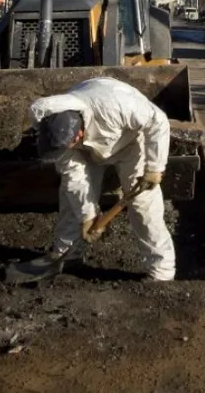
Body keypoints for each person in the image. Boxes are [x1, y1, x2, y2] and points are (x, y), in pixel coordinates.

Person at [29, 77, 175, 281]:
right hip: (87, 151)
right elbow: (74, 179)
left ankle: (162, 272)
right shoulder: (57, 132)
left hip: (130, 144)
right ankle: (65, 256)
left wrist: (154, 167)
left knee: (144, 205)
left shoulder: (116, 105)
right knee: (72, 199)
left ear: (78, 134)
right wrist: (87, 216)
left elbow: (157, 121)